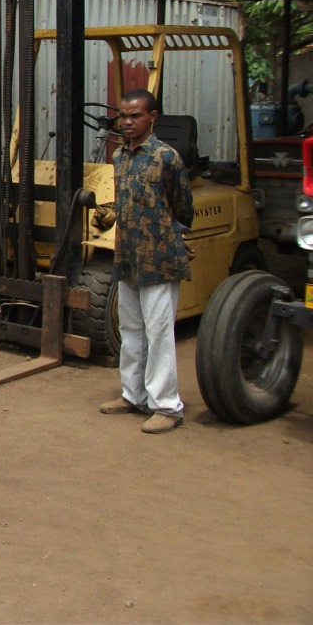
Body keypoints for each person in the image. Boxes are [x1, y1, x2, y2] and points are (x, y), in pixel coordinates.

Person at [99, 88, 193, 434]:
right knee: (132, 329)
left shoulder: (167, 158)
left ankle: (167, 405)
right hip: (128, 257)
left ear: (152, 117)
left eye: (135, 115)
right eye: (123, 115)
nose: (126, 122)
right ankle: (132, 395)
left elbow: (184, 207)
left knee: (159, 332)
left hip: (160, 259)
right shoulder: (120, 158)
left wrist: (176, 238)